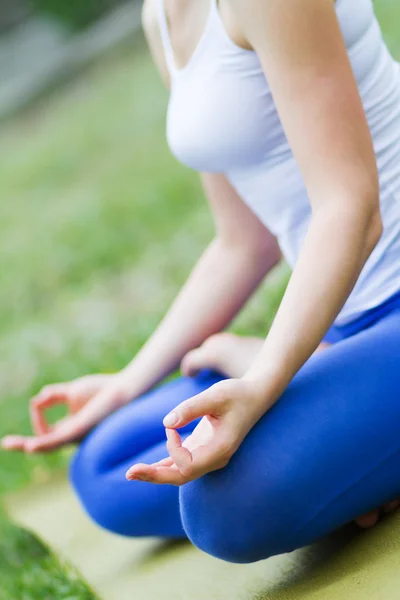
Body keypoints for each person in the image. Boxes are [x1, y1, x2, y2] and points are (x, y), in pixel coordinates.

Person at [3, 0, 400, 564]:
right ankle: (347, 429)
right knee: (108, 473)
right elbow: (243, 242)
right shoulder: (160, 17)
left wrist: (263, 377)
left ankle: (335, 423)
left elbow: (353, 210)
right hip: (342, 326)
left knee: (227, 508)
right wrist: (126, 382)